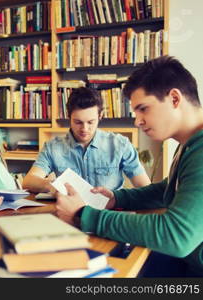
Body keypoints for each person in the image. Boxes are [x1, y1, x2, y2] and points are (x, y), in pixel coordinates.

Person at [56, 56, 203, 276]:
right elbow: (168, 188)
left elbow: (176, 236)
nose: (137, 121)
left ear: (174, 98)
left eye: (143, 109)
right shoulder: (190, 144)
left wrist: (83, 214)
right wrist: (117, 198)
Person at [22, 87, 150, 193]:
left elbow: (145, 188)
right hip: (69, 214)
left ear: (100, 116)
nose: (84, 129)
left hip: (109, 214)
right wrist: (52, 186)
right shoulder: (53, 147)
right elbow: (28, 181)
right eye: (78, 122)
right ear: (69, 117)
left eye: (90, 122)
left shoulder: (120, 145)